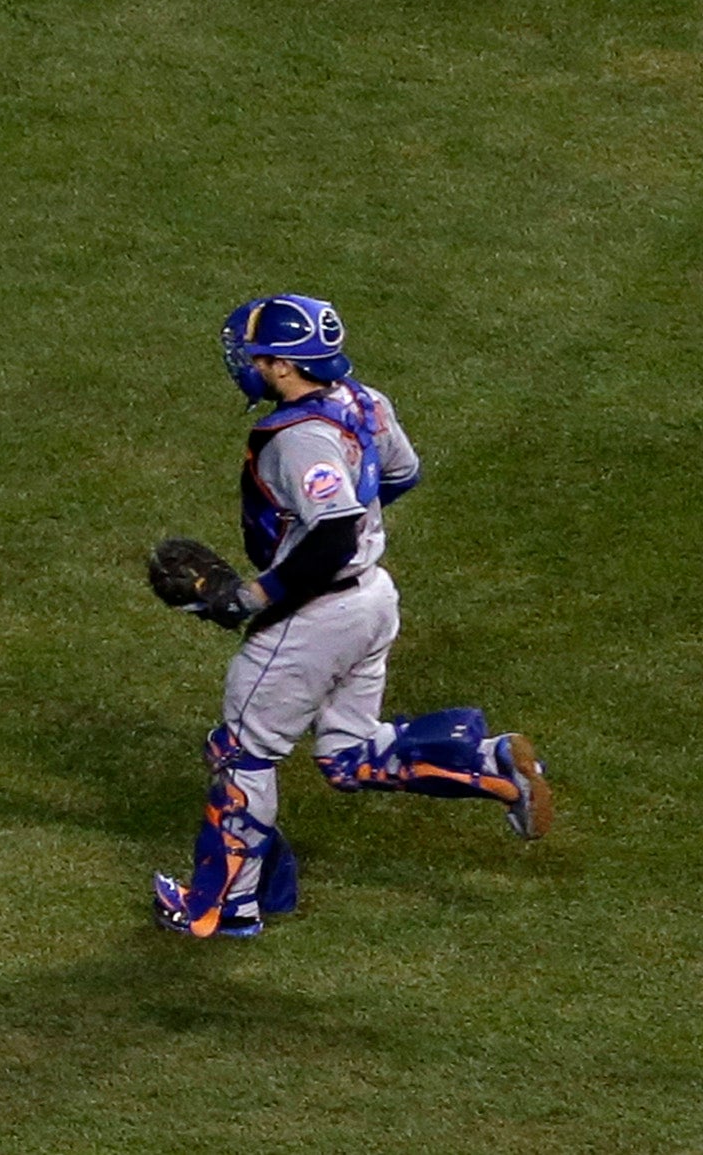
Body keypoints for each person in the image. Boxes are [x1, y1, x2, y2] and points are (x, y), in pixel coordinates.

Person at [152, 294, 553, 939]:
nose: (247, 365)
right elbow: (400, 474)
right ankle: (489, 763)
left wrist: (258, 595)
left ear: (283, 367)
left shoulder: (299, 440)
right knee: (346, 754)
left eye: (256, 357)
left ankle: (224, 907)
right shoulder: (362, 399)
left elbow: (334, 531)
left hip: (315, 615)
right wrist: (333, 533)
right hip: (372, 599)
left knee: (240, 755)